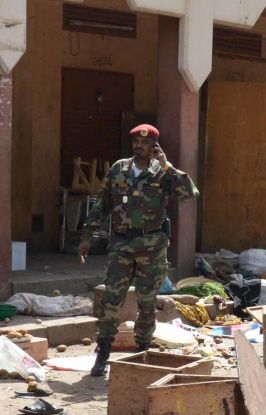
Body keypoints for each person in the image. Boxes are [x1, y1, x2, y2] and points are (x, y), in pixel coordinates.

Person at [80, 124, 198, 377]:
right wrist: (87, 236)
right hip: (121, 245)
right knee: (112, 299)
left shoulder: (162, 173)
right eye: (136, 142)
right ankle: (102, 354)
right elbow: (102, 204)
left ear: (154, 145)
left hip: (152, 247)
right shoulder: (119, 169)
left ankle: (143, 351)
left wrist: (167, 165)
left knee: (147, 303)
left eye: (145, 143)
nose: (139, 146)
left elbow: (189, 193)